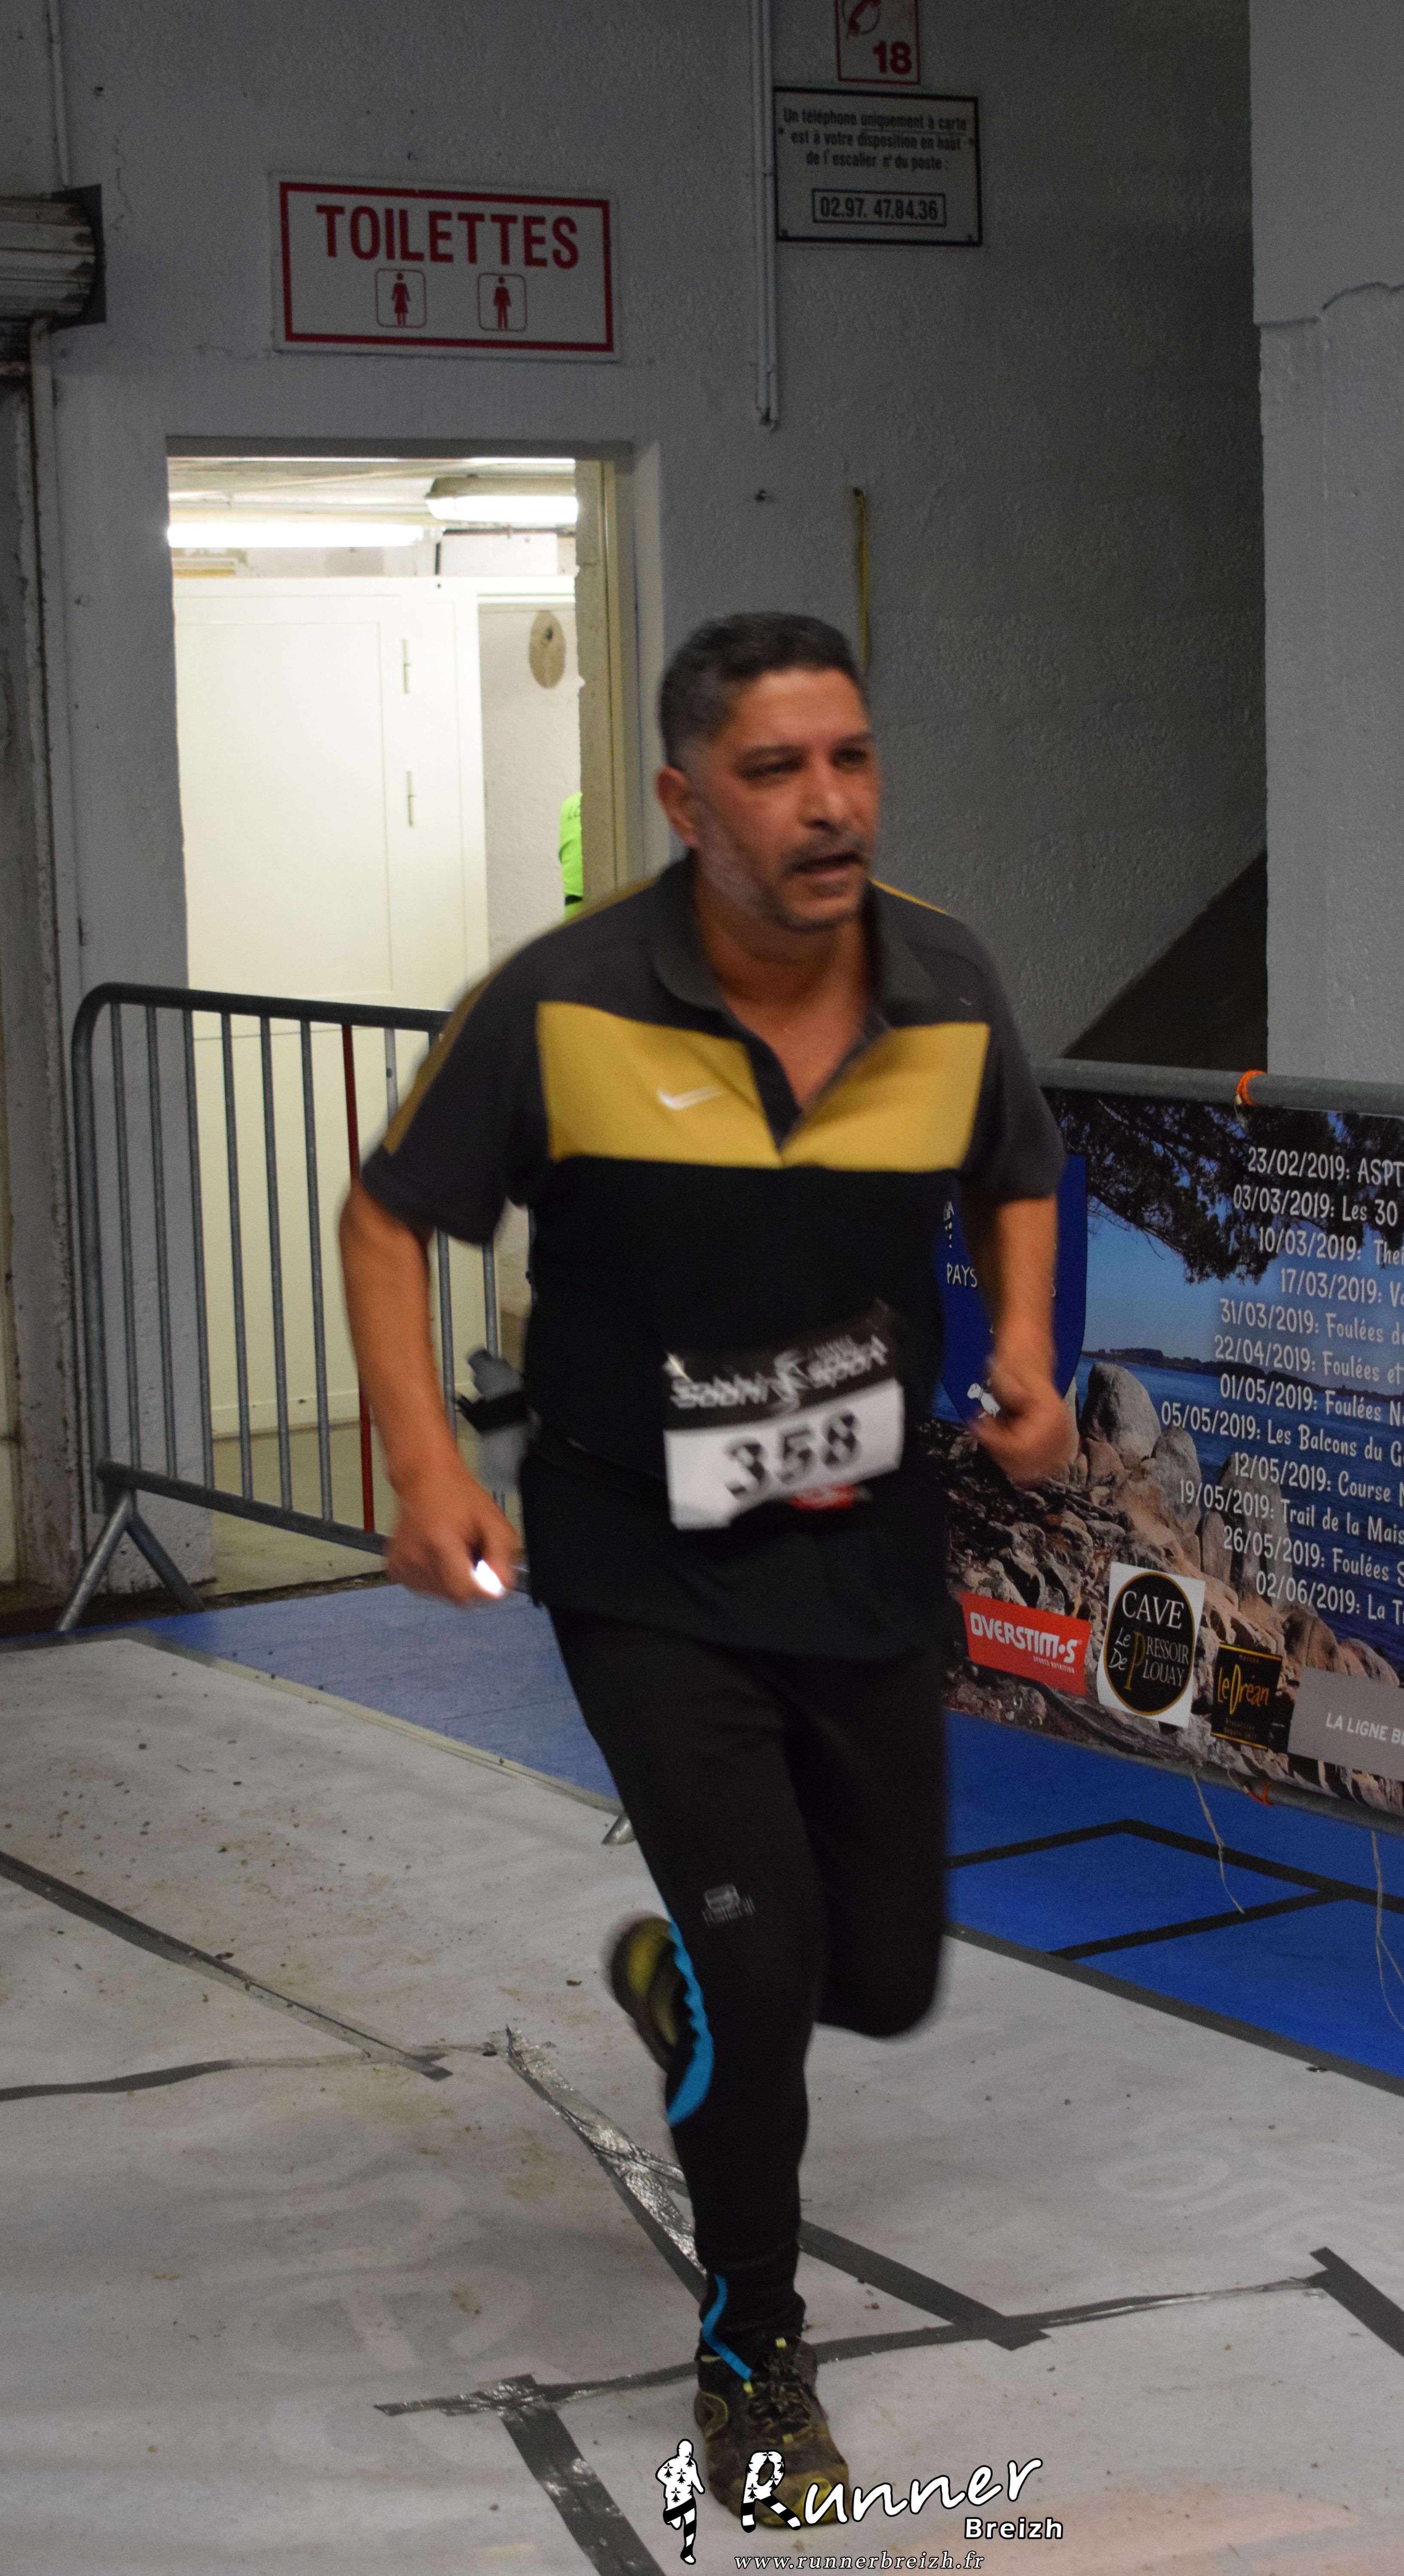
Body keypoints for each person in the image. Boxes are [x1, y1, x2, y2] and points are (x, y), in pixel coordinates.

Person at [339, 611, 1070, 2521]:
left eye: (850, 757)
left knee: (879, 1977)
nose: (828, 803)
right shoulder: (564, 999)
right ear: (684, 799)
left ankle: (682, 1993)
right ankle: (754, 2349)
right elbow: (389, 1213)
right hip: (642, 1559)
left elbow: (1012, 1164)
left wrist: (1021, 1344)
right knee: (769, 1971)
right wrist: (425, 1461)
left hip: (864, 1545)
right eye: (775, 770)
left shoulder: (947, 979)